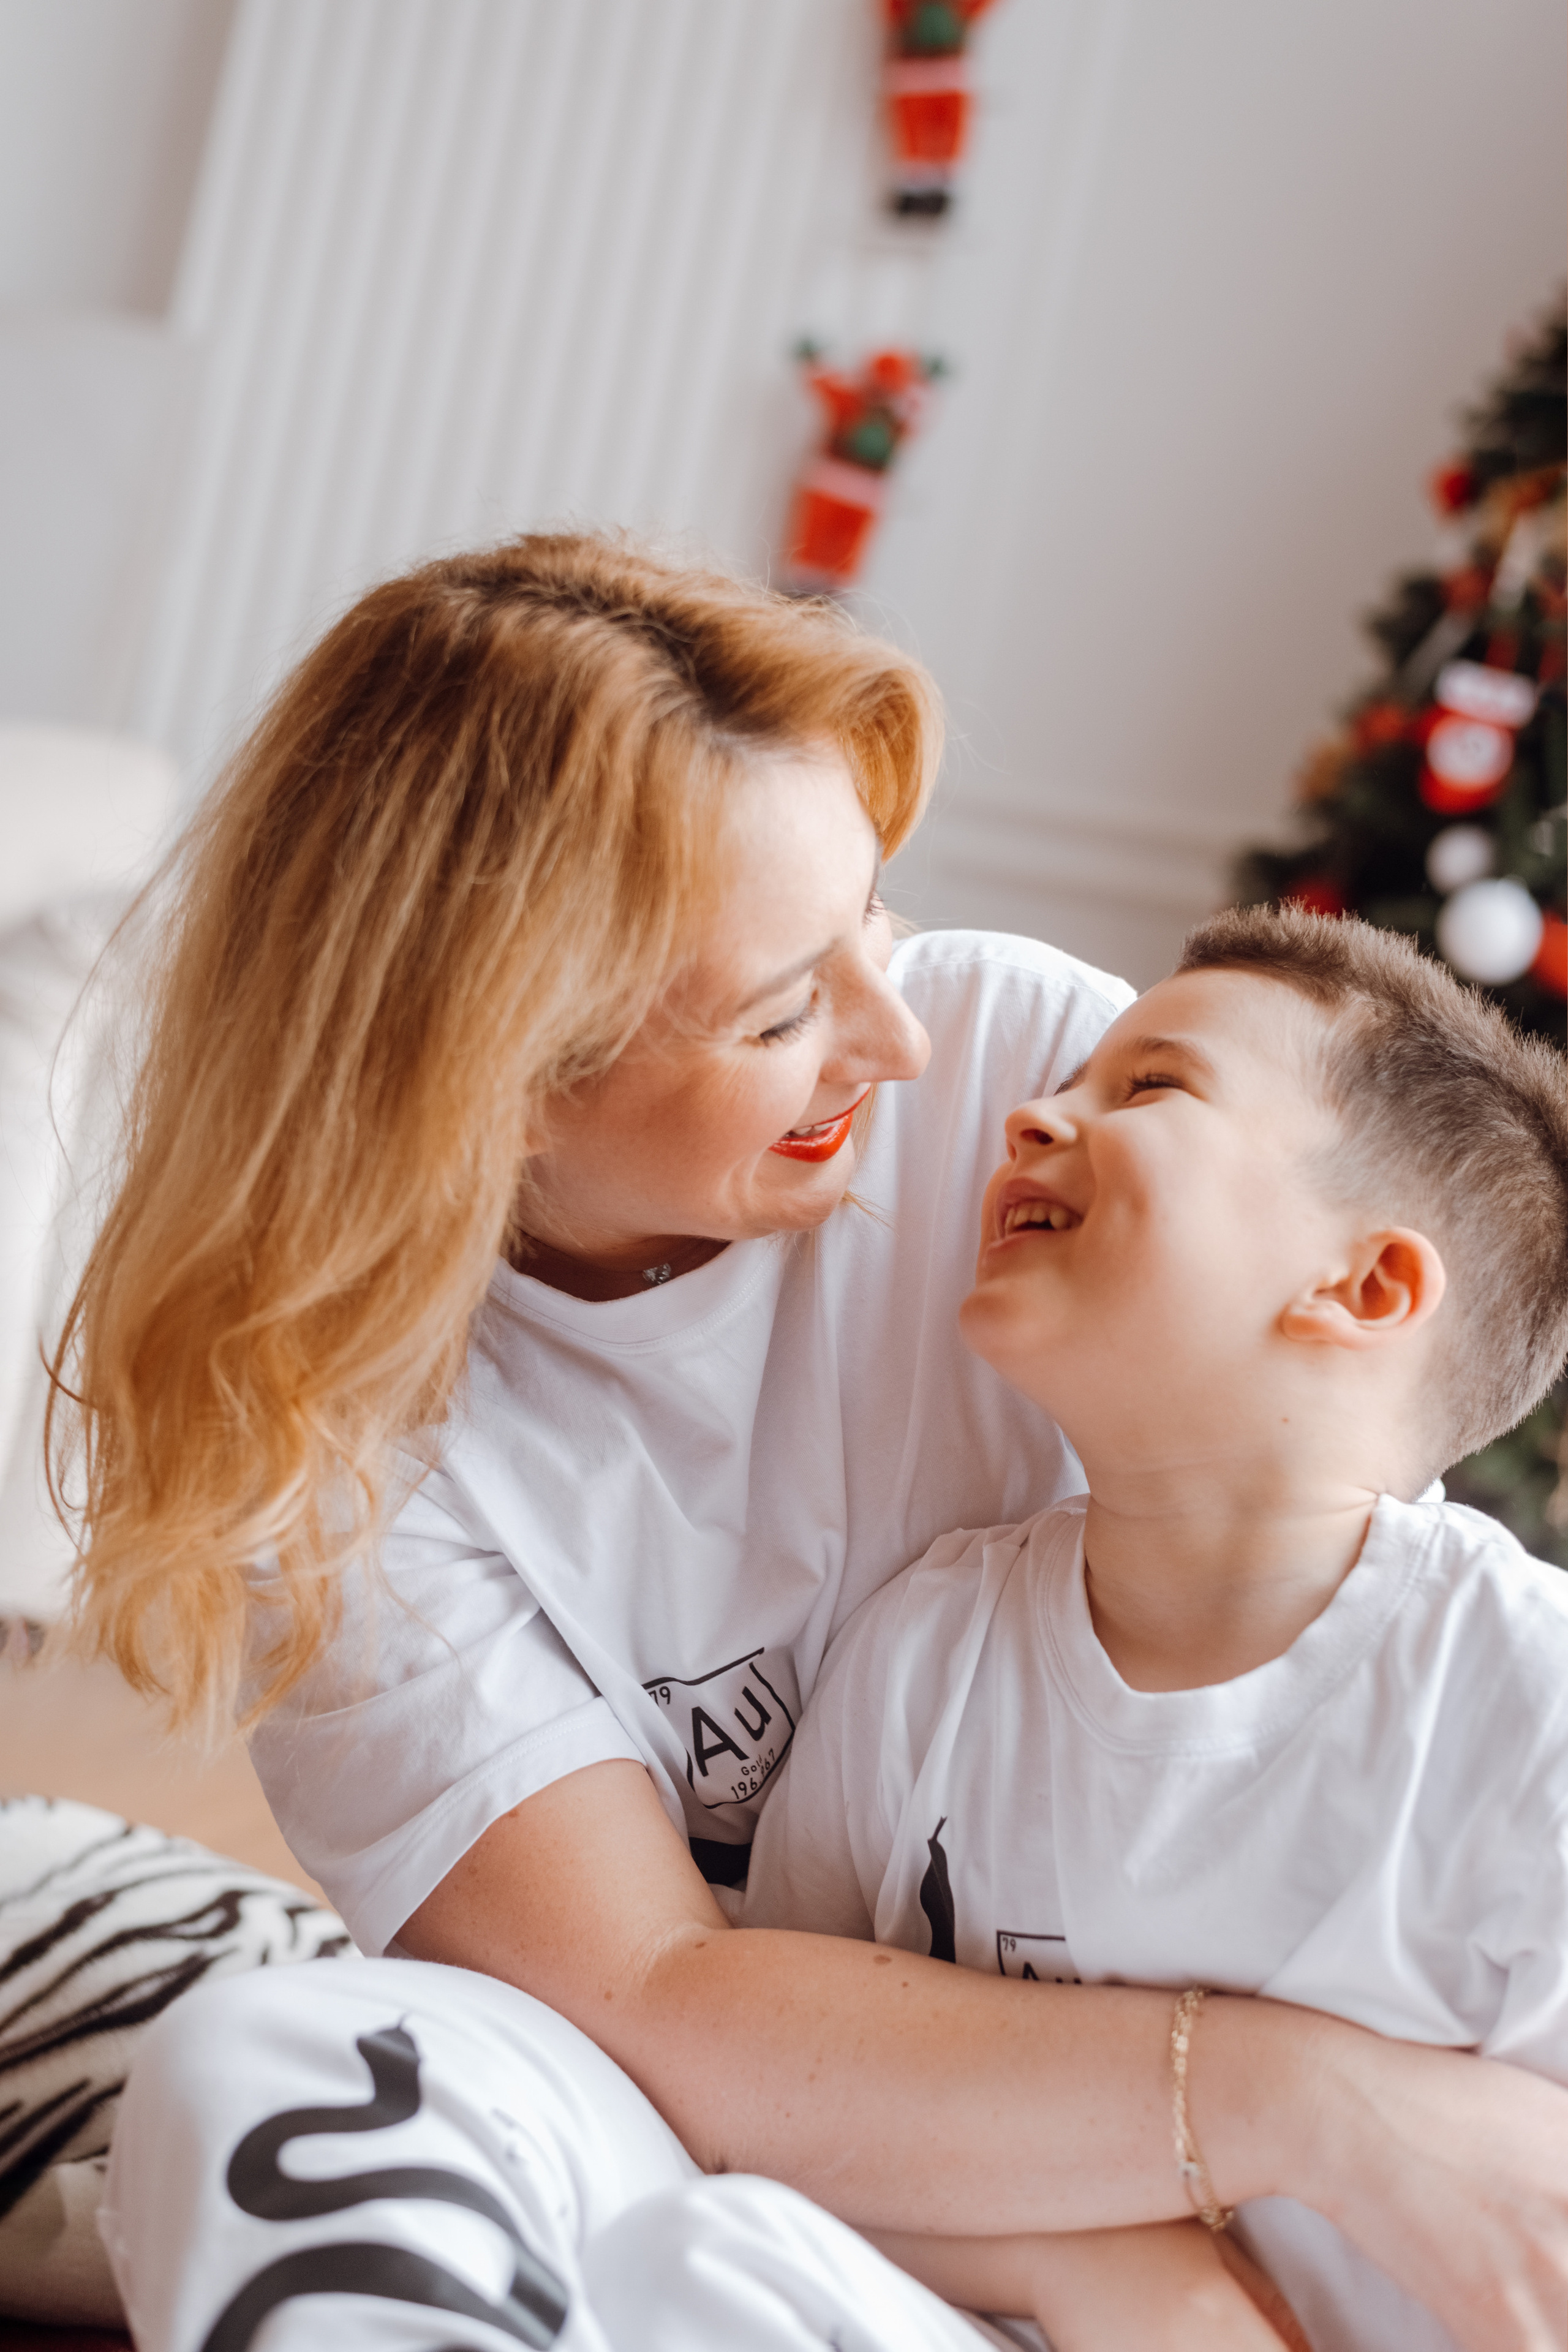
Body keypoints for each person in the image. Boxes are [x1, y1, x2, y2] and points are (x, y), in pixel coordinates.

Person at [58, 537, 1568, 2352]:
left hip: (1181, 2220)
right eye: (783, 1010)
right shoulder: (323, 1440)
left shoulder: (1020, 1078)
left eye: (877, 919)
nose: (905, 1041)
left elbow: (1325, 1463)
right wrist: (1216, 2168)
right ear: (495, 1082)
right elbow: (660, 2001)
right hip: (783, 2155)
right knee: (281, 2074)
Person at [742, 906, 1568, 2350]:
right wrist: (1081, 2263)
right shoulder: (922, 1657)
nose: (1028, 1118)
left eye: (1149, 1087)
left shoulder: (1523, 1708)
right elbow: (775, 2111)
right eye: (1067, 1081)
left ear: (1363, 1286)